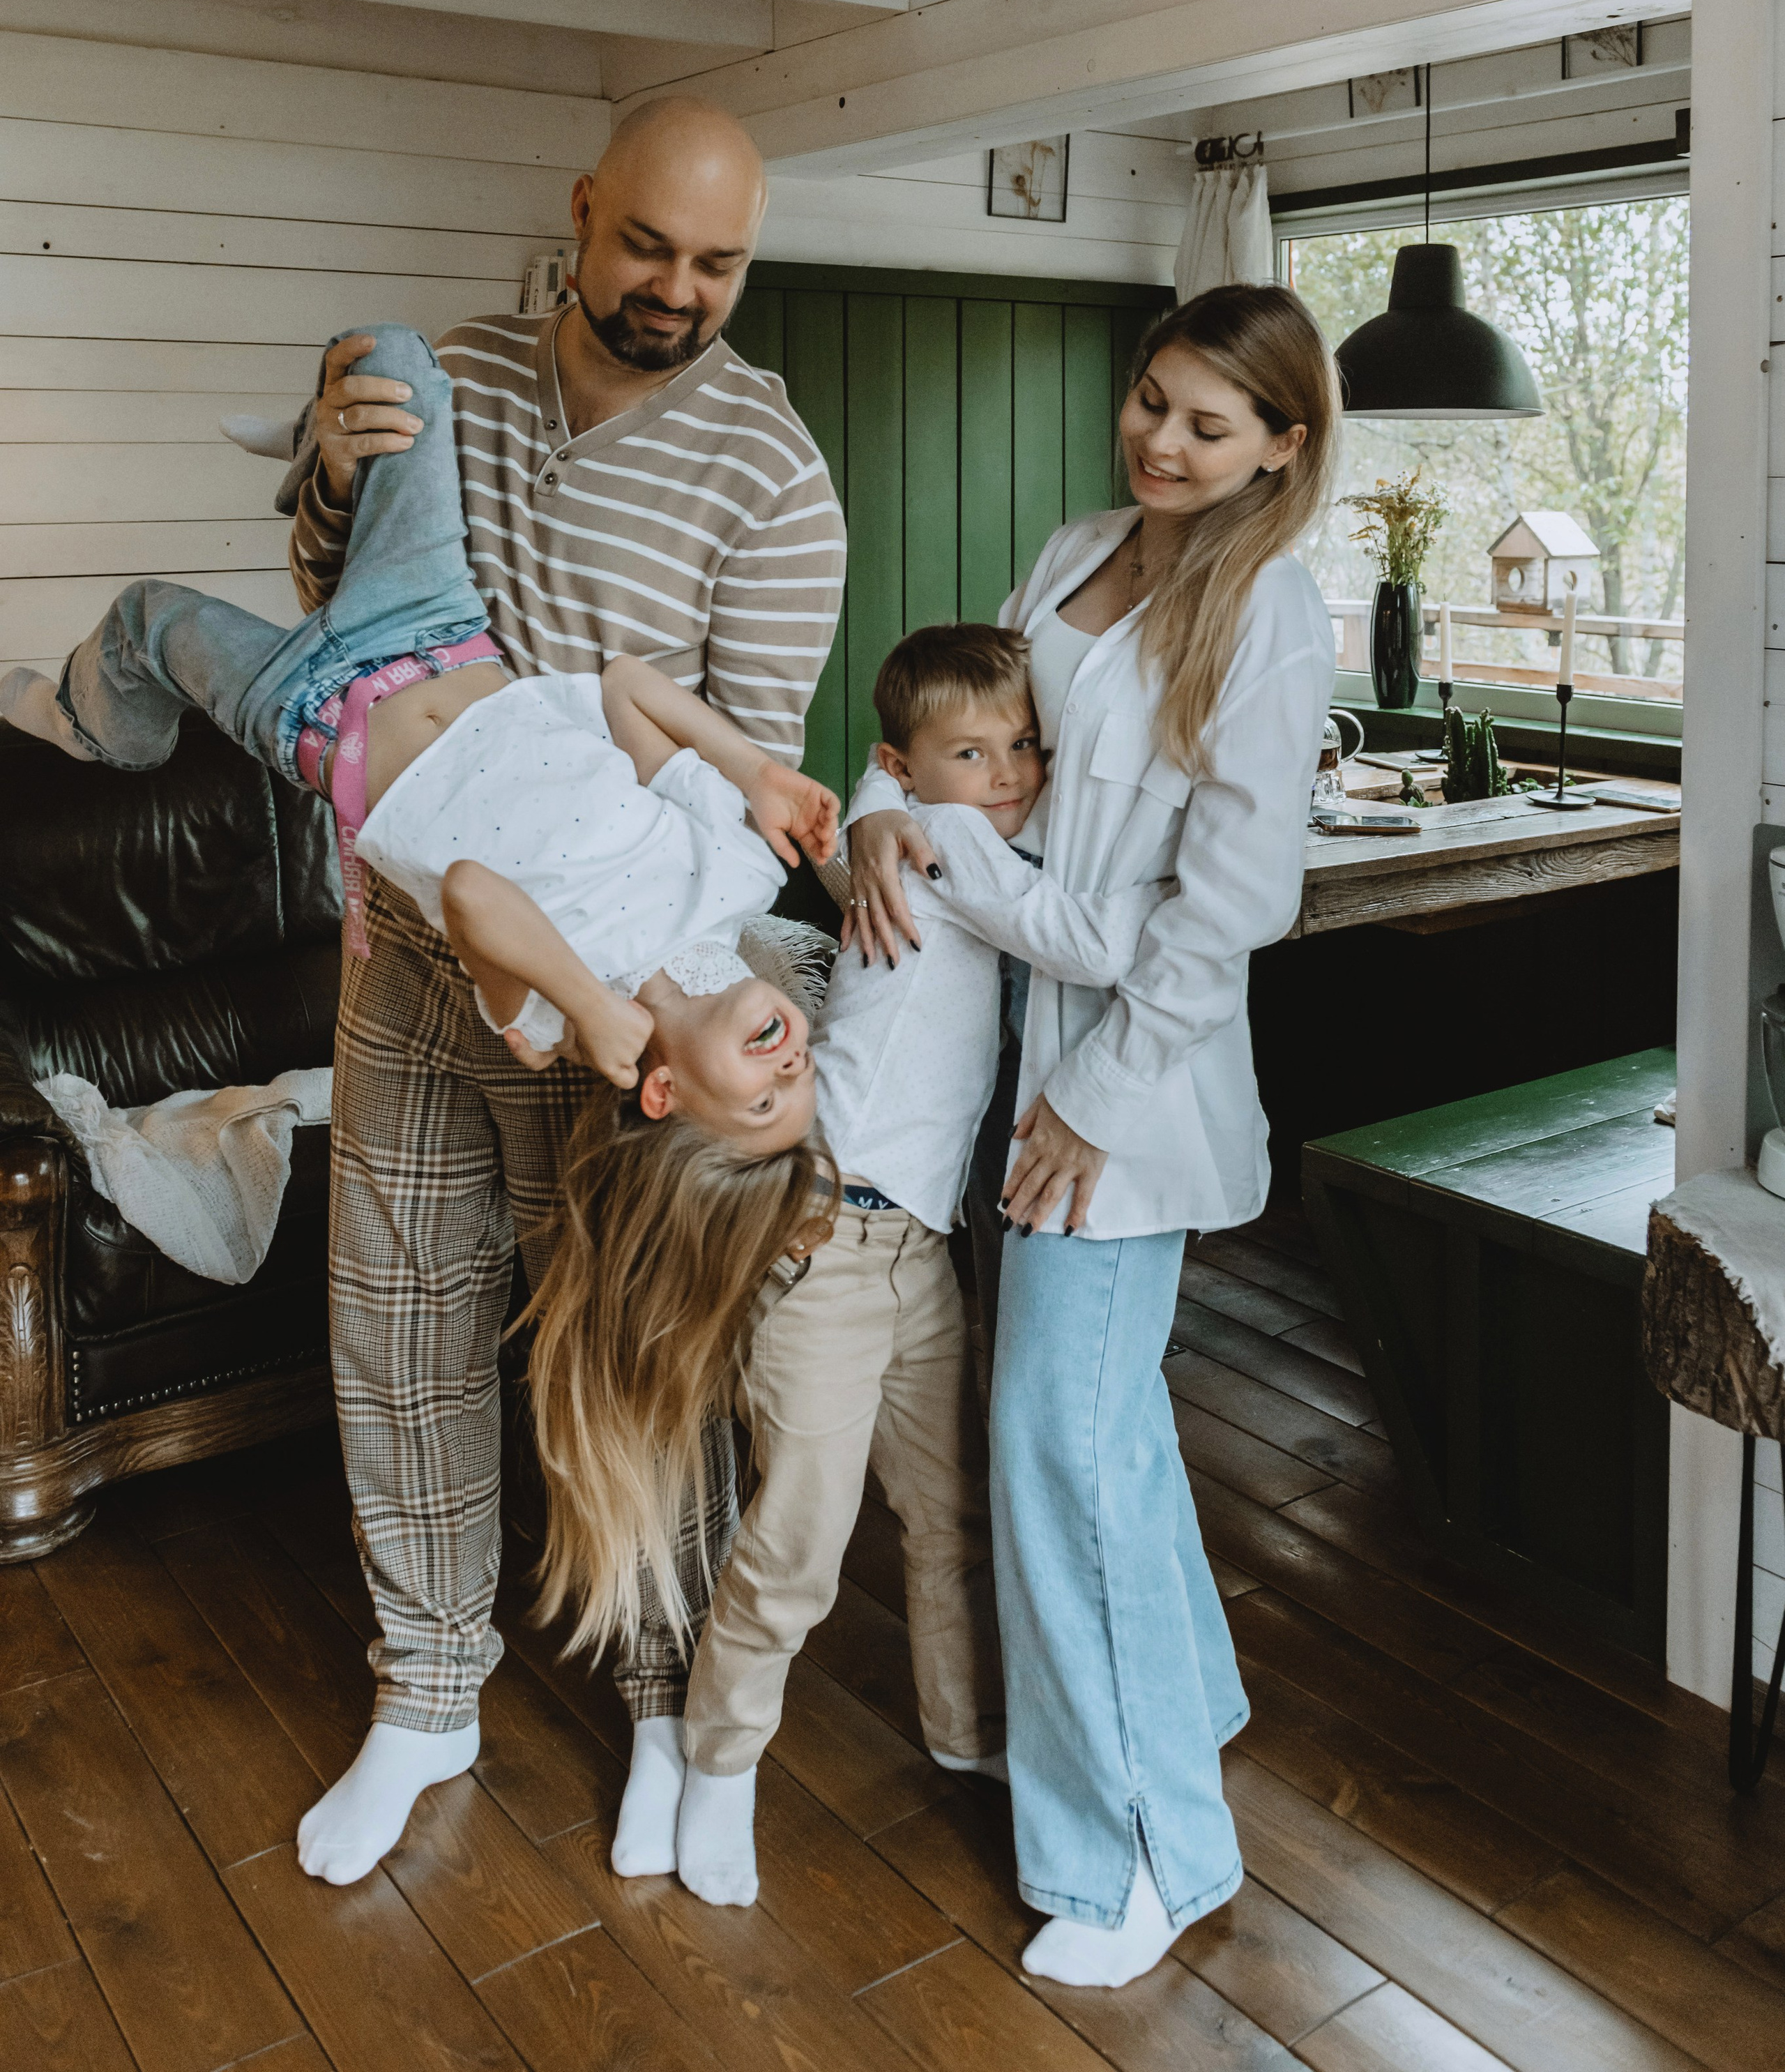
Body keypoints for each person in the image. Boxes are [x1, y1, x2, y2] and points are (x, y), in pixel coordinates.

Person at [278, 96, 842, 1885]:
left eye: (720, 261)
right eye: (649, 246)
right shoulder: (460, 376)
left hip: (602, 1010)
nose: (679, 288)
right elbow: (340, 614)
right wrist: (321, 461)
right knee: (400, 1319)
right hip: (405, 958)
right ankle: (427, 1692)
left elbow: (746, 768)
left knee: (620, 1351)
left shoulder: (772, 477)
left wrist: (645, 1030)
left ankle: (669, 1698)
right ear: (582, 213)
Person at [845, 285, 1339, 1991]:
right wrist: (870, 828)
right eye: (1150, 401)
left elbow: (1228, 910)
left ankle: (1142, 1849)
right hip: (1007, 1051)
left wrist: (1093, 1101)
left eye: (1208, 422)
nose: (1160, 440)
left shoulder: (1268, 607)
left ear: (1281, 441)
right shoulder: (1064, 553)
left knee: (1050, 1437)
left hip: (1127, 1090)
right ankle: (1178, 1698)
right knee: (1098, 1430)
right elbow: (944, 749)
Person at [530, 617, 1170, 1910]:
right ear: (905, 760)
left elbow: (951, 811)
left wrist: (888, 795)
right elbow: (1081, 923)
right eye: (974, 752)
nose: (1008, 773)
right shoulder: (950, 845)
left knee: (952, 1514)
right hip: (825, 1241)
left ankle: (966, 1732)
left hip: (920, 1248)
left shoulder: (945, 822)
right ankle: (719, 1766)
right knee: (802, 1538)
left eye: (1027, 749)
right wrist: (897, 806)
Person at [1, 326, 835, 1149]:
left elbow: (472, 890)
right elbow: (626, 683)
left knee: (150, 617)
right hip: (438, 625)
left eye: (766, 1105)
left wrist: (589, 1002)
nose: (792, 1066)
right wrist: (754, 771)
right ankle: (314, 449)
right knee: (397, 363)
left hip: (321, 719)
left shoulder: (545, 1025)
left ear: (663, 1092)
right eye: (809, 1079)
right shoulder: (740, 870)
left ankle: (90, 730)